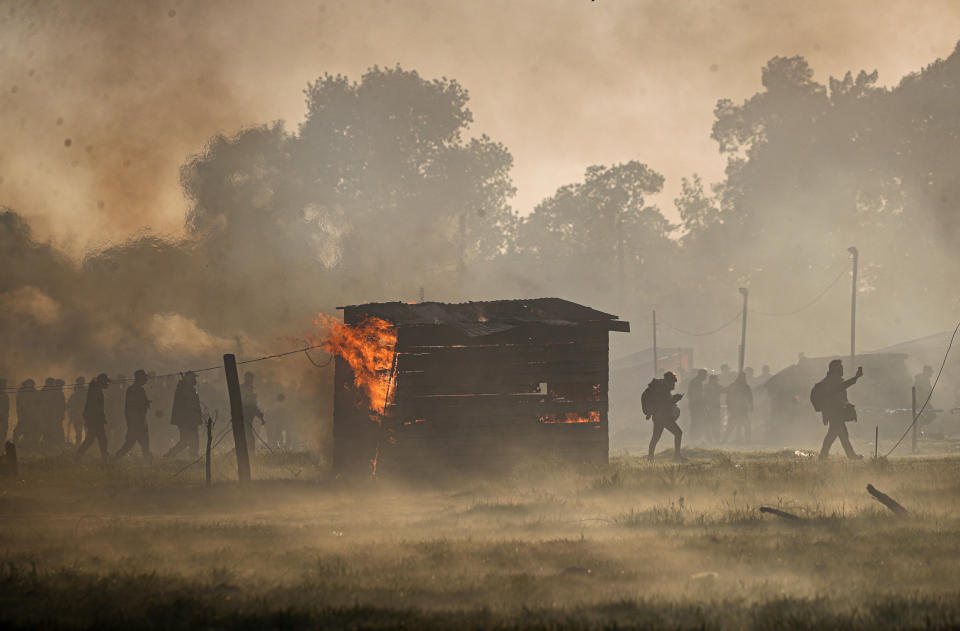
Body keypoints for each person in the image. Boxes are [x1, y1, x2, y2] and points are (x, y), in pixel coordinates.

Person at [813, 359, 864, 460]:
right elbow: (841, 388)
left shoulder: (833, 380)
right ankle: (848, 456)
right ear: (835, 369)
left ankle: (824, 456)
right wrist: (856, 378)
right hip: (834, 413)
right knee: (836, 435)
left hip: (836, 413)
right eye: (840, 367)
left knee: (838, 435)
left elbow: (841, 396)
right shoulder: (831, 381)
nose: (842, 369)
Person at [643, 371, 684, 461]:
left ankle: (650, 458)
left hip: (659, 417)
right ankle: (677, 456)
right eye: (673, 382)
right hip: (663, 417)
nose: (674, 384)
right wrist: (675, 399)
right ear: (668, 381)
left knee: (655, 438)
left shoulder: (662, 389)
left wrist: (673, 398)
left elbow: (664, 402)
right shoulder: (662, 390)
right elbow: (664, 404)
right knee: (678, 433)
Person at [115, 370, 152, 459]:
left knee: (134, 443)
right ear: (140, 379)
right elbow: (131, 407)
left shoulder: (138, 389)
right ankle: (117, 457)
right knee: (134, 443)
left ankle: (117, 457)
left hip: (139, 421)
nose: (146, 380)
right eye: (144, 378)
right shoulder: (133, 390)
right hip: (136, 422)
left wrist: (146, 403)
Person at [165, 372, 202, 459]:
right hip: (186, 420)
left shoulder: (187, 388)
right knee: (187, 440)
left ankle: (193, 457)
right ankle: (170, 455)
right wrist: (193, 418)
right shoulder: (185, 389)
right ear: (189, 378)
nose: (195, 380)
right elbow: (189, 405)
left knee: (191, 440)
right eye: (193, 378)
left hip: (189, 419)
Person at [77, 374, 111, 461]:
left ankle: (78, 456)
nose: (107, 384)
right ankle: (104, 457)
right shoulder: (95, 391)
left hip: (95, 419)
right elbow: (94, 407)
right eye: (106, 382)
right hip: (95, 420)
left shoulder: (95, 389)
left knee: (94, 439)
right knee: (97, 439)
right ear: (101, 382)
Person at [724, 372, 754, 444]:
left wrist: (751, 405)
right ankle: (723, 440)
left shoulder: (746, 387)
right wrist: (729, 406)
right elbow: (728, 397)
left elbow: (750, 397)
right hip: (736, 409)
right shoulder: (734, 386)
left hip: (743, 409)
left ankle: (748, 441)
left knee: (746, 426)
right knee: (731, 426)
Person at [240, 372, 264, 456]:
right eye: (250, 378)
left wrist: (259, 413)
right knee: (248, 436)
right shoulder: (242, 388)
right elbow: (246, 403)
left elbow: (253, 404)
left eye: (252, 378)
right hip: (244, 415)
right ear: (246, 378)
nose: (251, 380)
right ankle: (250, 454)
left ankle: (249, 453)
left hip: (250, 416)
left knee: (249, 435)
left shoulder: (251, 388)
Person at [13, 379, 40, 449]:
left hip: (32, 416)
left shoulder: (35, 393)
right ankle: (15, 446)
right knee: (17, 432)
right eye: (28, 384)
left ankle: (28, 446)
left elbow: (39, 404)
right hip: (23, 416)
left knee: (30, 432)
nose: (30, 385)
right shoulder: (21, 392)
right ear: (25, 384)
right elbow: (19, 405)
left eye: (31, 384)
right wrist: (20, 415)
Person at [702, 374, 726, 443]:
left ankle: (713, 439)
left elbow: (725, 390)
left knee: (712, 424)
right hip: (711, 407)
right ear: (713, 380)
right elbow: (725, 390)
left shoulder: (707, 386)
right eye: (716, 380)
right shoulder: (714, 387)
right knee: (713, 424)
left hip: (712, 407)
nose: (717, 381)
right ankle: (713, 439)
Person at [686, 369, 708, 444]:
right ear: (701, 375)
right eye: (705, 375)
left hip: (695, 405)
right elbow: (697, 395)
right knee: (696, 422)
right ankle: (695, 438)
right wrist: (702, 404)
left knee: (695, 422)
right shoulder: (697, 382)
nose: (706, 377)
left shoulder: (695, 381)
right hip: (696, 406)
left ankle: (695, 438)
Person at [67, 377, 86, 444]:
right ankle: (78, 443)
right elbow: (69, 405)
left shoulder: (85, 394)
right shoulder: (73, 396)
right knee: (78, 430)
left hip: (83, 414)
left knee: (83, 429)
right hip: (76, 415)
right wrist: (71, 413)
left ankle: (82, 443)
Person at [0, 379, 8, 444]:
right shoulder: (4, 395)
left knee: (3, 434)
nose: (5, 385)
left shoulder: (5, 395)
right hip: (2, 418)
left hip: (4, 418)